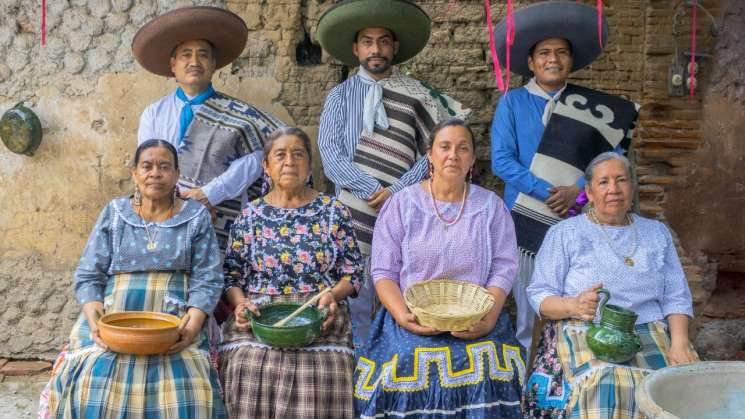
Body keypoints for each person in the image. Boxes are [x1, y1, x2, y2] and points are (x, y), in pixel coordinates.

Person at [316, 0, 470, 347]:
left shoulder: (418, 96)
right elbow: (329, 154)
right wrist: (373, 188)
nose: (376, 49)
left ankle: (391, 369)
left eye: (384, 41)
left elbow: (435, 150)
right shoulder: (339, 96)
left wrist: (397, 190)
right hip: (351, 212)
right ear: (356, 48)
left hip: (403, 211)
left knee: (399, 290)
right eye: (368, 41)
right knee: (353, 295)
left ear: (395, 47)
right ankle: (358, 373)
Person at [490, 1, 640, 353]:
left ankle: (570, 374)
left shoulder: (591, 109)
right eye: (544, 53)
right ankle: (530, 383)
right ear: (531, 62)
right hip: (524, 219)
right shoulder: (512, 104)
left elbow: (612, 159)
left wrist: (577, 191)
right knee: (531, 307)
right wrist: (546, 192)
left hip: (578, 219)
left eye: (561, 52)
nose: (552, 59)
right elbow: (501, 161)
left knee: (578, 301)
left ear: (572, 60)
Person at [39, 140, 225, 417]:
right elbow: (89, 274)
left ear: (176, 174)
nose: (155, 174)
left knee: (187, 383)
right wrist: (95, 322)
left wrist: (192, 325)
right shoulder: (114, 214)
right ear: (134, 174)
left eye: (164, 167)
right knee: (92, 373)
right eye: (147, 166)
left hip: (177, 317)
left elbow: (208, 278)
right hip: (114, 314)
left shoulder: (195, 216)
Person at [354, 119, 524, 418]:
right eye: (445, 147)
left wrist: (489, 318)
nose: (453, 155)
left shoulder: (491, 207)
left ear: (472, 158)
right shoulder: (402, 205)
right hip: (411, 316)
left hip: (477, 319)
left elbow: (504, 267)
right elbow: (383, 271)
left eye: (463, 149)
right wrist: (403, 317)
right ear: (429, 154)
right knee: (404, 362)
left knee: (490, 366)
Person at [524, 152, 698, 418]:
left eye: (621, 180)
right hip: (585, 327)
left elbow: (676, 296)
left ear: (632, 187)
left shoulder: (656, 232)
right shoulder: (566, 233)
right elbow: (540, 295)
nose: (614, 189)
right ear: (589, 193)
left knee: (672, 390)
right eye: (604, 182)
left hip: (648, 330)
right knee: (606, 383)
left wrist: (681, 342)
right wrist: (574, 304)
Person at [218, 127, 364, 418]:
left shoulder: (333, 211)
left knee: (325, 371)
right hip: (261, 315)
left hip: (319, 313)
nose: (289, 162)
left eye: (298, 155)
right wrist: (241, 304)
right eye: (280, 155)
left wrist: (332, 296)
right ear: (266, 167)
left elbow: (353, 272)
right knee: (247, 363)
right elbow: (232, 276)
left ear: (309, 165)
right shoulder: (250, 216)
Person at [133, 6, 285, 249]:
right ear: (173, 64)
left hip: (220, 215)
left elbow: (257, 161)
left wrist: (208, 194)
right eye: (186, 55)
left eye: (203, 55)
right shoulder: (153, 114)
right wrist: (179, 204)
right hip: (164, 214)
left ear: (214, 64)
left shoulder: (240, 116)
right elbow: (147, 165)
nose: (194, 62)